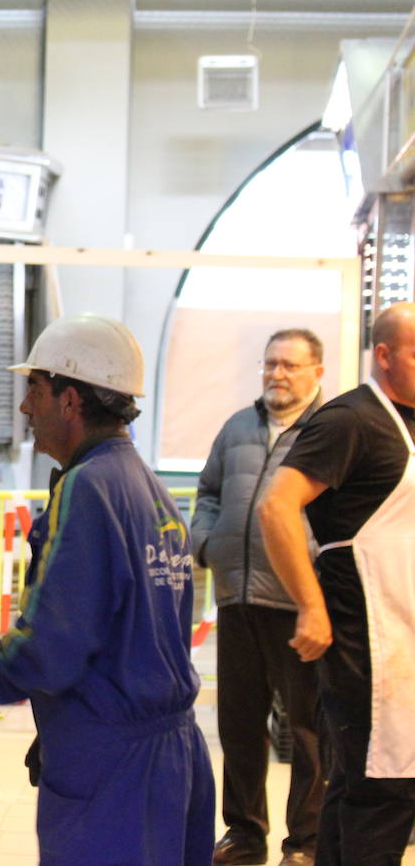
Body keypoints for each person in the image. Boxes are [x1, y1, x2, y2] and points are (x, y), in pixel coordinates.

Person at [0, 314, 214, 865]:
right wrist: (58, 724)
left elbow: (52, 642)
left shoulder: (87, 489)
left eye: (34, 391)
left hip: (114, 773)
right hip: (171, 760)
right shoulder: (150, 491)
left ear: (70, 401)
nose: (24, 408)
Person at [258, 302, 415, 866]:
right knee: (383, 794)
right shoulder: (351, 420)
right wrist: (310, 607)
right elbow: (276, 508)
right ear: (385, 355)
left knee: (357, 787)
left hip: (403, 642)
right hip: (366, 641)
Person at [194, 330, 326, 866]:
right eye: (271, 363)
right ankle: (245, 836)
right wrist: (208, 543)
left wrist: (314, 567)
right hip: (238, 597)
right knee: (239, 724)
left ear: (317, 372)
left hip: (298, 603)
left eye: (291, 365)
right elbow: (207, 492)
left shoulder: (329, 431)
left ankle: (305, 844)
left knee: (307, 730)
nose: (278, 374)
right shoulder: (238, 428)